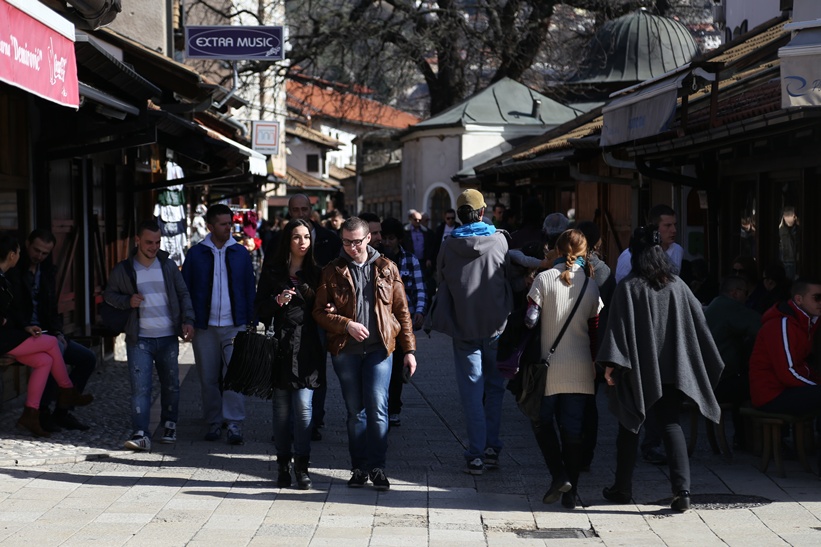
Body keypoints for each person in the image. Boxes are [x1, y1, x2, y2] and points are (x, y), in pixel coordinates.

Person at [598, 225, 723, 513]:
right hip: (673, 367)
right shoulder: (677, 285)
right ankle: (683, 491)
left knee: (630, 423)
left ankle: (622, 488)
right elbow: (699, 324)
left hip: (636, 368)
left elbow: (616, 330)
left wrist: (610, 368)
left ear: (634, 253)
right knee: (670, 422)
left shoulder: (628, 287)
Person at [313, 217, 417, 491]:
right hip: (345, 350)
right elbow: (319, 312)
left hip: (379, 349)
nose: (351, 247)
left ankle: (378, 467)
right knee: (355, 411)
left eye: (357, 242)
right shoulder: (332, 270)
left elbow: (401, 311)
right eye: (346, 242)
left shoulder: (387, 268)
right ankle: (358, 468)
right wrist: (346, 324)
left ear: (369, 238)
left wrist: (409, 350)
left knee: (378, 407)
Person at [431, 189, 513, 475]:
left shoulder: (448, 244)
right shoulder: (500, 240)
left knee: (471, 391)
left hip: (464, 327)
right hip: (496, 327)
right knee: (494, 388)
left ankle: (476, 453)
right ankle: (492, 447)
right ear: (481, 212)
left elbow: (439, 279)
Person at [524, 229, 602, 509]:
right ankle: (571, 491)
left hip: (548, 368)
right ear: (585, 253)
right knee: (573, 430)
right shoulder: (591, 285)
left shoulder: (543, 280)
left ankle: (559, 475)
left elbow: (530, 321)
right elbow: (595, 331)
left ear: (556, 250)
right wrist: (593, 363)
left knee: (542, 423)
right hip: (581, 368)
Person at [104, 220, 194, 451]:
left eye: (157, 242)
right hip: (139, 338)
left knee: (171, 384)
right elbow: (109, 295)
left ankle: (170, 424)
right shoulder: (124, 269)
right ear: (137, 241)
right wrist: (127, 301)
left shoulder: (168, 265)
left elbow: (183, 294)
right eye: (148, 242)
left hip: (167, 337)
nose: (153, 247)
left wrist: (188, 321)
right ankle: (141, 433)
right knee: (140, 388)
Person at [262, 194, 342, 441]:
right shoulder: (277, 242)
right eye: (295, 209)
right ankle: (286, 433)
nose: (300, 213)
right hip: (285, 327)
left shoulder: (329, 238)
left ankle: (313, 422)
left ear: (311, 210)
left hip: (315, 322)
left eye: (304, 209)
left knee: (315, 372)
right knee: (284, 382)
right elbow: (263, 293)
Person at [0, 233, 93, 437]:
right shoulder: (12, 274)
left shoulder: (46, 271)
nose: (39, 256)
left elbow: (51, 307)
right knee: (52, 346)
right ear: (16, 252)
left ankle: (30, 414)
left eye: (45, 253)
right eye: (36, 250)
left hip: (26, 333)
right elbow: (12, 311)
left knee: (45, 359)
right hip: (10, 337)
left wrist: (57, 330)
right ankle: (66, 392)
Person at [255, 219, 323, 489]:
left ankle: (303, 467)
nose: (303, 242)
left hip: (308, 348)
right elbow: (259, 309)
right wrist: (276, 301)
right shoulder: (272, 271)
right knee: (281, 411)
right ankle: (283, 464)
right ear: (288, 241)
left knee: (304, 410)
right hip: (281, 347)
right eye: (297, 237)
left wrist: (308, 292)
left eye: (307, 236)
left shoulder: (318, 272)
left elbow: (324, 308)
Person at [182, 204, 256, 445]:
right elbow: (187, 290)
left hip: (234, 325)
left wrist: (251, 322)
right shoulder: (195, 254)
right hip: (205, 326)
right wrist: (188, 321)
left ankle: (234, 423)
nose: (229, 228)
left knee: (234, 376)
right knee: (208, 377)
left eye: (230, 223)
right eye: (224, 224)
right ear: (210, 226)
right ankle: (214, 420)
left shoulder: (241, 253)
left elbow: (248, 288)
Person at [748, 278, 821, 416]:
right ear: (799, 299)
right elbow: (787, 373)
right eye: (817, 298)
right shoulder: (782, 324)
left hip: (786, 388)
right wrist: (816, 387)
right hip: (770, 394)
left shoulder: (807, 322)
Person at [379, 217, 426, 428]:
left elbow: (420, 289)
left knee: (399, 365)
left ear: (398, 239)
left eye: (391, 238)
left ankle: (394, 408)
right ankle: (380, 405)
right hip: (380, 321)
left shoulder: (410, 260)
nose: (387, 242)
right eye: (384, 238)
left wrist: (420, 311)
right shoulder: (376, 260)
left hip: (401, 321)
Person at [704, 276, 761, 448]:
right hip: (718, 383)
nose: (748, 296)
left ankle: (743, 438)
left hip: (707, 381)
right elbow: (761, 327)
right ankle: (758, 440)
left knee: (743, 383)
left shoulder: (715, 305)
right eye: (745, 292)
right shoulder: (730, 308)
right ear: (735, 293)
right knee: (759, 385)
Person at [614, 204, 683, 283]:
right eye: (668, 225)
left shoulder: (678, 250)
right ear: (654, 228)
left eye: (675, 225)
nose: (674, 230)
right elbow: (621, 288)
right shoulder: (629, 256)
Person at [778, 206, 799, 281]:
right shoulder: (780, 229)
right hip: (786, 260)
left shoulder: (796, 229)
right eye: (793, 216)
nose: (795, 218)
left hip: (793, 261)